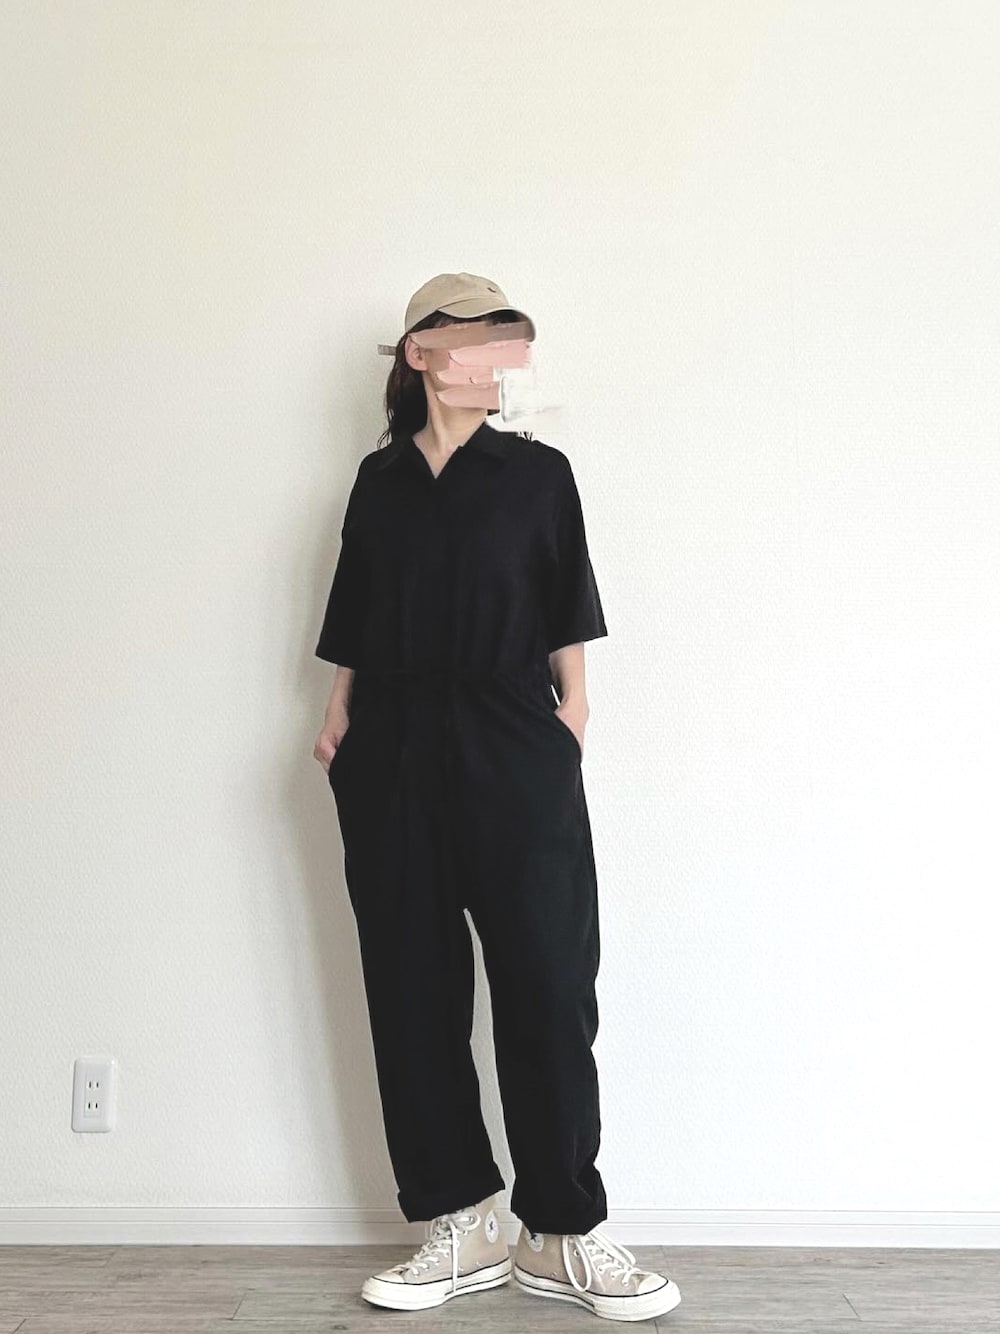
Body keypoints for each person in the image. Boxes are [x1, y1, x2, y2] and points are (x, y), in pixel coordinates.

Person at [312, 272, 682, 1323]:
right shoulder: (378, 481)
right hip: (390, 747)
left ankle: (559, 1229)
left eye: (505, 339)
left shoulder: (537, 475)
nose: (496, 357)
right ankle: (460, 1220)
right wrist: (338, 719)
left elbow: (566, 602)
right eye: (473, 337)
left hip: (512, 737)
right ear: (421, 353)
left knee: (547, 981)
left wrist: (571, 713)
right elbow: (355, 612)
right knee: (410, 986)